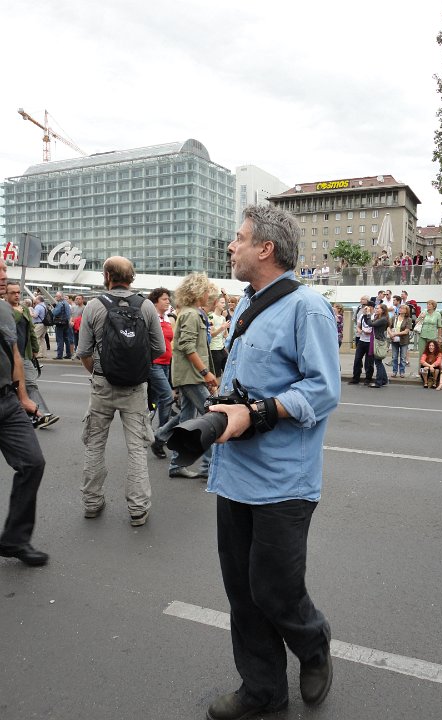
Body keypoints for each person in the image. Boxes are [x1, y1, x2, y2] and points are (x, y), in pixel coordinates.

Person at [205, 205, 340, 720]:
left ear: (266, 248)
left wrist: (258, 412)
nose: (231, 246)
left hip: (284, 482)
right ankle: (263, 690)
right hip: (233, 475)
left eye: (239, 238)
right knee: (242, 592)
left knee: (275, 589)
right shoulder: (245, 303)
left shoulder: (308, 308)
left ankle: (314, 644)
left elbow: (323, 391)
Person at [77, 256, 165, 526]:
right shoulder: (146, 306)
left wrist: (99, 372)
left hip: (102, 385)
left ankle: (92, 502)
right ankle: (138, 508)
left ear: (107, 276)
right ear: (132, 277)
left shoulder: (94, 306)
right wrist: (136, 366)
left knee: (95, 444)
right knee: (137, 448)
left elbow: (84, 351)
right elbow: (159, 348)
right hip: (135, 388)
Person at [0, 259, 48, 566]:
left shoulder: (5, 310)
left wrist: (23, 397)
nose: (4, 276)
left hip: (7, 401)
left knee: (32, 462)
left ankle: (15, 540)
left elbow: (15, 354)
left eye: (4, 271)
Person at [154, 273, 218, 480]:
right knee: (211, 417)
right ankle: (208, 467)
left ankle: (176, 464)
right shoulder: (191, 314)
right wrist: (206, 373)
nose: (208, 294)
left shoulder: (190, 313)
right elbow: (188, 346)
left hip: (189, 375)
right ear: (198, 292)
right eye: (206, 290)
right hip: (191, 376)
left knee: (186, 420)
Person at [5, 282, 59, 429]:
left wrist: (35, 348)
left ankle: (42, 415)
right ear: (5, 294)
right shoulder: (4, 310)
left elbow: (31, 331)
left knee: (30, 384)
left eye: (18, 292)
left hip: (24, 354)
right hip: (7, 357)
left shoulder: (24, 309)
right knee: (10, 388)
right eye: (13, 293)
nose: (17, 295)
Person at [148, 287, 175, 459]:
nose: (168, 301)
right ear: (156, 301)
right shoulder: (151, 317)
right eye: (164, 299)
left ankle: (145, 427)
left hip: (166, 363)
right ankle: (161, 434)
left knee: (155, 400)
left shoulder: (167, 318)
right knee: (167, 397)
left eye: (168, 299)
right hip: (154, 364)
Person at [348, 300, 375, 385]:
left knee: (369, 361)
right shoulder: (362, 316)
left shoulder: (374, 316)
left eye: (367, 307)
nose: (365, 308)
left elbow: (374, 327)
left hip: (370, 341)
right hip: (362, 340)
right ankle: (356, 377)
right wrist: (359, 330)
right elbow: (358, 326)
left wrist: (369, 332)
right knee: (357, 359)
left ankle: (368, 378)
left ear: (371, 307)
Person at [364, 303, 390, 388]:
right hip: (376, 340)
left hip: (379, 341)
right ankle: (384, 380)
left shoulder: (383, 319)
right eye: (376, 308)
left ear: (383, 310)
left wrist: (368, 313)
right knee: (378, 362)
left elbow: (371, 324)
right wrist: (365, 314)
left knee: (378, 362)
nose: (376, 309)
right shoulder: (378, 317)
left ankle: (379, 382)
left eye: (378, 308)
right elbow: (368, 322)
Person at [416, 300, 442, 377]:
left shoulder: (437, 314)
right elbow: (416, 322)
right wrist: (421, 317)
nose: (428, 305)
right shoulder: (424, 312)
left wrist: (439, 337)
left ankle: (432, 371)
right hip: (423, 335)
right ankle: (420, 371)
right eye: (427, 304)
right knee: (422, 353)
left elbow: (439, 326)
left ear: (434, 306)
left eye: (430, 304)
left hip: (432, 336)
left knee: (432, 354)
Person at [208, 293, 231, 378]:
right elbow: (211, 334)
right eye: (222, 302)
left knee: (228, 372)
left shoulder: (223, 318)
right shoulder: (210, 316)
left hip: (221, 348)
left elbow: (225, 335)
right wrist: (222, 327)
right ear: (216, 303)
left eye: (224, 303)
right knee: (216, 376)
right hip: (213, 350)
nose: (224, 305)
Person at [388, 304, 412, 378]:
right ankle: (394, 371)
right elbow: (388, 327)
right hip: (394, 340)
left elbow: (406, 331)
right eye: (400, 308)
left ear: (406, 311)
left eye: (402, 308)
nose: (400, 309)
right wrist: (391, 334)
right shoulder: (394, 317)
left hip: (403, 340)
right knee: (394, 356)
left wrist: (395, 334)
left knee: (403, 357)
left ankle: (402, 372)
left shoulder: (408, 319)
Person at [52, 291, 72, 359]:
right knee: (66, 339)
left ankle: (59, 355)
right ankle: (68, 354)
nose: (55, 297)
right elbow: (69, 314)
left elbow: (55, 313)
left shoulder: (60, 303)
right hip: (66, 323)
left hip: (60, 323)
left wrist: (53, 309)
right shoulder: (66, 303)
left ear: (60, 297)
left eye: (56, 296)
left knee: (59, 339)